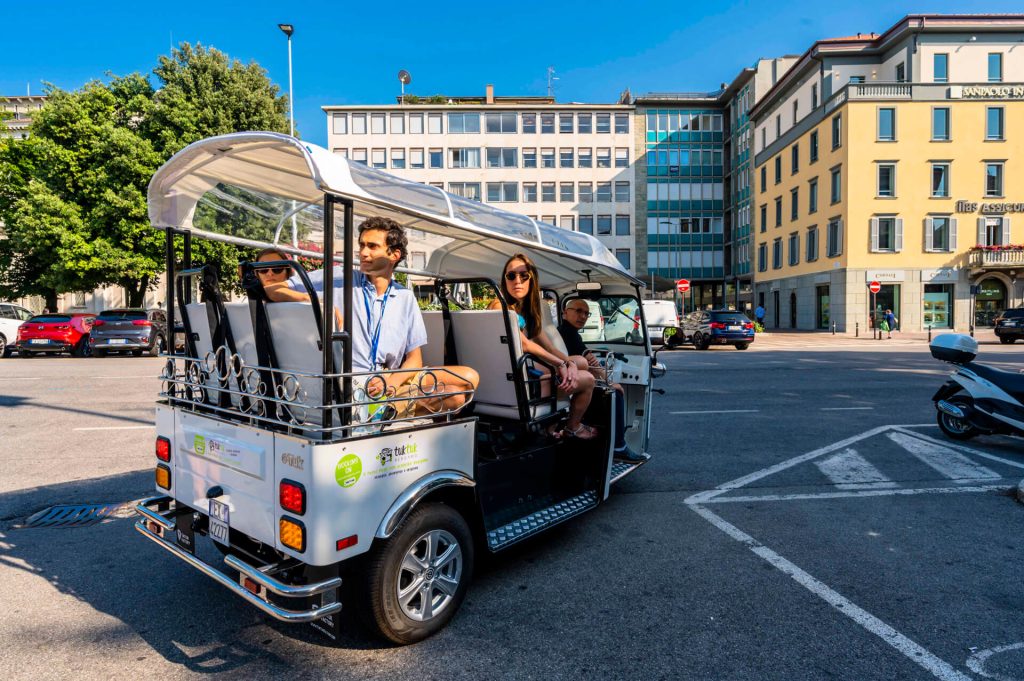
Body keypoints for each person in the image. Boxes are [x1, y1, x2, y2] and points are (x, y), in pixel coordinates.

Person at [266, 217, 478, 416]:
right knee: (453, 394)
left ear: (394, 255)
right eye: (361, 245)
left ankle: (385, 412)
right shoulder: (338, 276)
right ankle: (383, 413)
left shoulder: (405, 297)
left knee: (467, 380)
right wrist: (314, 301)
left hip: (388, 378)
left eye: (372, 246)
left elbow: (415, 359)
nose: (363, 252)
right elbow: (273, 289)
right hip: (350, 380)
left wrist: (392, 383)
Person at [488, 253, 597, 440]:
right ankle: (572, 426)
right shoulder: (500, 306)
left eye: (524, 276)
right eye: (511, 275)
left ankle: (558, 425)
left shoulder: (527, 310)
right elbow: (524, 344)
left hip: (525, 368)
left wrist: (567, 363)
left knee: (579, 361)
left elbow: (548, 346)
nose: (517, 280)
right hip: (512, 374)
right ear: (504, 279)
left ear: (532, 279)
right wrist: (561, 364)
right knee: (587, 379)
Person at [559, 298, 646, 463]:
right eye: (578, 311)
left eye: (586, 313)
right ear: (565, 312)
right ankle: (618, 446)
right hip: (565, 380)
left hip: (565, 378)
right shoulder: (568, 332)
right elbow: (591, 361)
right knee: (614, 393)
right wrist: (610, 382)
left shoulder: (565, 331)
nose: (583, 316)